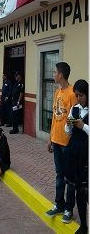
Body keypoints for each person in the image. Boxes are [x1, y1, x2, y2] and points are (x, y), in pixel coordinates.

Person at [46, 62, 77, 223]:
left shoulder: (72, 93)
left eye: (55, 72)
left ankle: (68, 209)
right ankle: (59, 204)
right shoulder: (57, 91)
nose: (53, 75)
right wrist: (51, 138)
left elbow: (74, 120)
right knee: (59, 174)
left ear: (61, 75)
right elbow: (54, 116)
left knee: (69, 176)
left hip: (68, 143)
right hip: (56, 140)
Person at [65, 79, 88, 232]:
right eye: (76, 95)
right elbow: (68, 132)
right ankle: (83, 225)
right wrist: (68, 124)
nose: (78, 98)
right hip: (74, 154)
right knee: (78, 190)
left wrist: (83, 126)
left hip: (86, 154)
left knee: (86, 190)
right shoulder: (74, 108)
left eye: (81, 96)